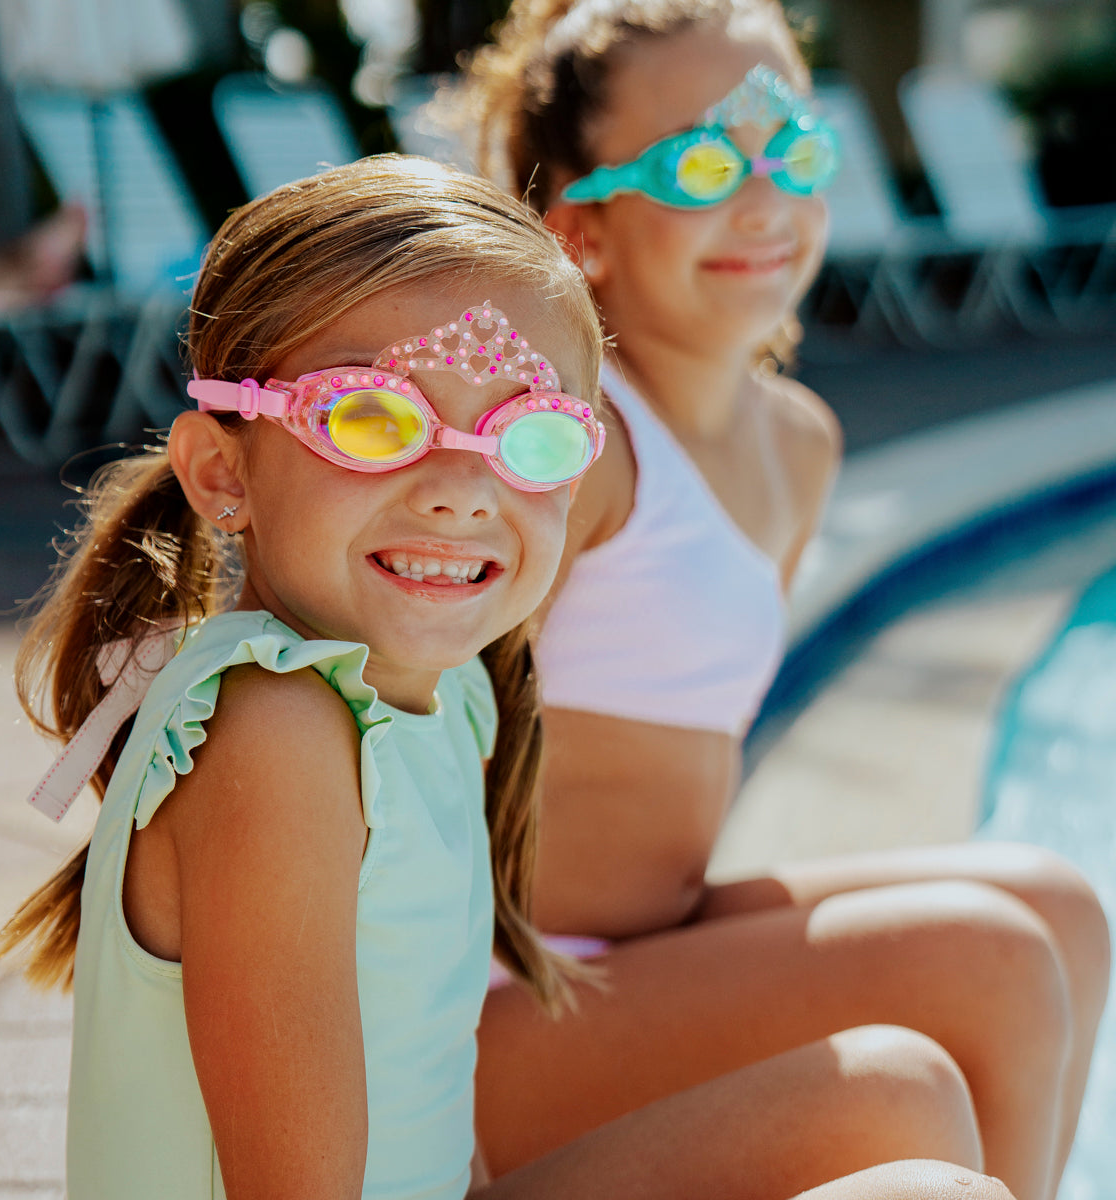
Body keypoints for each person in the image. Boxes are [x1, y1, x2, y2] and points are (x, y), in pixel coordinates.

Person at [0, 154, 1016, 1200]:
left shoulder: (455, 694)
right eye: (373, 419)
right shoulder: (278, 731)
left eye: (530, 434)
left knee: (897, 1090)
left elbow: (442, 1111)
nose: (461, 489)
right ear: (223, 471)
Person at [461, 4, 1110, 1198]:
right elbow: (403, 735)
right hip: (504, 997)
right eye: (704, 166)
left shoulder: (797, 446)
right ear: (583, 231)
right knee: (994, 964)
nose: (765, 202)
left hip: (654, 945)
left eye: (794, 151)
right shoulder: (577, 449)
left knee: (1059, 904)